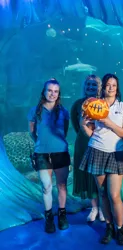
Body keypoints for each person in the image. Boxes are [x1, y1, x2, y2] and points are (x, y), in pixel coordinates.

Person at [79, 73, 123, 245]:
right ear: (103, 87)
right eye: (108, 84)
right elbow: (90, 133)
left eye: (114, 85)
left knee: (114, 194)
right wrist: (83, 124)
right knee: (103, 194)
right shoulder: (94, 105)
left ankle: (120, 229)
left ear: (117, 88)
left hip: (116, 153)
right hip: (97, 150)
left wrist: (109, 123)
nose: (110, 88)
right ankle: (109, 227)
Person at [28, 78, 71, 233]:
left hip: (61, 152)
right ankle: (49, 218)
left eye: (55, 91)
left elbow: (64, 132)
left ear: (58, 94)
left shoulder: (64, 112)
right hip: (41, 154)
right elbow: (32, 132)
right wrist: (42, 144)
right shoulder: (34, 111)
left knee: (61, 185)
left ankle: (62, 215)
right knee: (46, 186)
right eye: (49, 90)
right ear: (44, 92)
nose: (52, 94)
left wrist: (55, 144)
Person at [71, 75, 105, 222]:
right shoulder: (77, 104)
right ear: (84, 87)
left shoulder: (103, 103)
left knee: (100, 177)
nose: (91, 88)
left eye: (94, 85)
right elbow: (75, 124)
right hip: (83, 144)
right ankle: (94, 207)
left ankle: (104, 208)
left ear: (99, 87)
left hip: (99, 143)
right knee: (87, 176)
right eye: (88, 85)